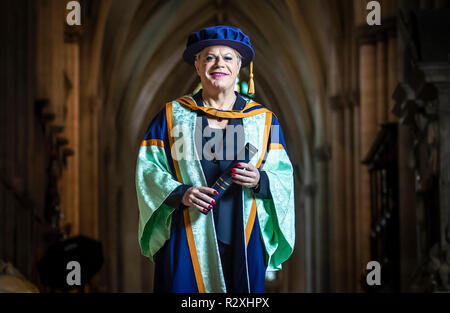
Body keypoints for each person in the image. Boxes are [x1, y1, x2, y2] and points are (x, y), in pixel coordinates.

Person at [136, 25, 295, 293]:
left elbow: (284, 176)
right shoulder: (172, 117)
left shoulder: (263, 121)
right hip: (187, 234)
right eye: (209, 57)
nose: (218, 64)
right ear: (197, 65)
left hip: (243, 237)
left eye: (228, 57)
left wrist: (260, 179)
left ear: (240, 66)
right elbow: (148, 171)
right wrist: (182, 193)